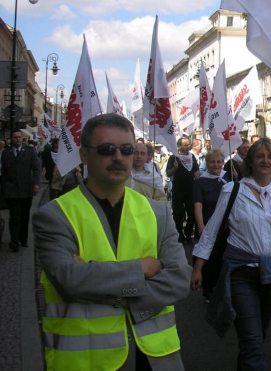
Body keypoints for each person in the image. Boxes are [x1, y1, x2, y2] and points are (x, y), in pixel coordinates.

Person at [33, 113, 191, 370]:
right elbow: (70, 279)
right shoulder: (55, 215)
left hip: (157, 357)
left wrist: (108, 290)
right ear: (84, 156)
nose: (118, 157)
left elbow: (178, 280)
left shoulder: (157, 212)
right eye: (107, 150)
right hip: (87, 360)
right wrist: (140, 267)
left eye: (126, 150)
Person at [191, 138, 271, 371]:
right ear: (250, 162)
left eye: (270, 157)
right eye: (260, 156)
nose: (265, 160)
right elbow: (211, 231)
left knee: (258, 336)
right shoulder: (233, 190)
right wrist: (198, 267)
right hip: (241, 274)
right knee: (252, 342)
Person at [192, 148, 231, 303]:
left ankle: (222, 287)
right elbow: (197, 205)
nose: (216, 165)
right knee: (209, 257)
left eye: (219, 161)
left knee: (224, 257)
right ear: (206, 163)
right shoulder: (201, 181)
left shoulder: (227, 177)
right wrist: (201, 226)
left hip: (227, 226)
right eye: (212, 162)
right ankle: (208, 288)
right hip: (209, 223)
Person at [1, 130, 41, 252]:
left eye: (19, 137)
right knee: (14, 216)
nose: (17, 139)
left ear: (22, 138)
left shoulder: (29, 152)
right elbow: (4, 173)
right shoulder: (6, 153)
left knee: (24, 216)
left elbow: (36, 168)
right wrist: (4, 186)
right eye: (15, 137)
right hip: (12, 191)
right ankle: (14, 241)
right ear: (11, 139)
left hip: (26, 190)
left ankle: (23, 239)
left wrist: (36, 183)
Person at [167, 136, 199, 242]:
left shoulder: (192, 157)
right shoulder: (173, 158)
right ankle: (179, 233)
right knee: (178, 213)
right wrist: (174, 168)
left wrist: (198, 184)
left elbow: (196, 172)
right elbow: (168, 173)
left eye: (189, 144)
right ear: (179, 146)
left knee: (191, 212)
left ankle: (188, 232)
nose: (188, 147)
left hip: (190, 188)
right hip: (178, 189)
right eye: (185, 145)